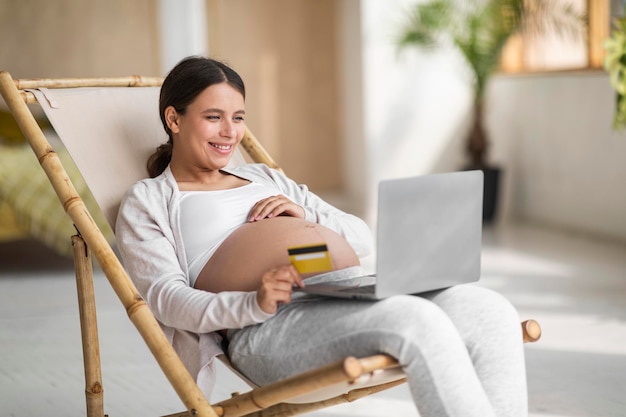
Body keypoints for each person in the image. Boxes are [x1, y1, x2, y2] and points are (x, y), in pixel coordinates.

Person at [115, 55, 528, 417]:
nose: (230, 132)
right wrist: (253, 302)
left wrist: (305, 213)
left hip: (348, 292)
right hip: (269, 326)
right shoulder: (149, 201)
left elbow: (360, 238)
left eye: (238, 118)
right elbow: (167, 301)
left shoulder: (262, 177)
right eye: (213, 117)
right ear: (174, 119)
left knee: (489, 310)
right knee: (416, 322)